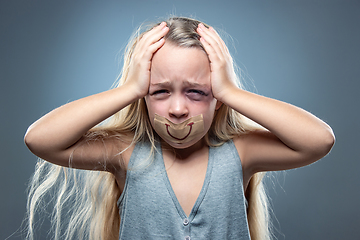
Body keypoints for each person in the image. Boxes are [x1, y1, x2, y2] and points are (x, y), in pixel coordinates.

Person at [24, 16, 335, 240]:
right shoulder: (127, 153)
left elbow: (318, 141)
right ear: (143, 97)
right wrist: (129, 89)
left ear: (217, 99)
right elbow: (41, 140)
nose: (176, 109)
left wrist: (231, 92)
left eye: (196, 92)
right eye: (159, 91)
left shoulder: (240, 153)